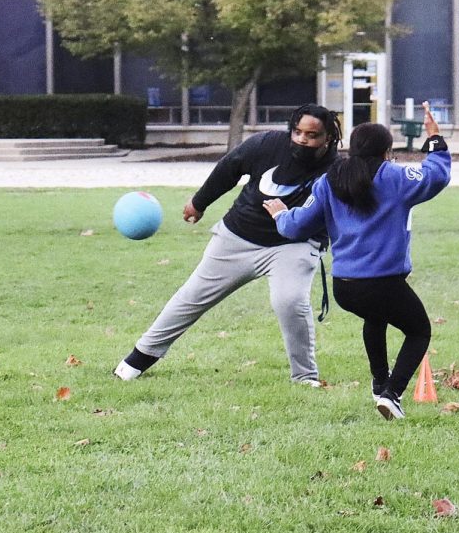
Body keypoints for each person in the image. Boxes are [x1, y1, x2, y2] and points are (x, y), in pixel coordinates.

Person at [114, 104, 342, 385]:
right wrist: (199, 203)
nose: (302, 140)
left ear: (329, 137)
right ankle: (135, 361)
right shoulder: (267, 144)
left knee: (290, 301)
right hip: (239, 235)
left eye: (312, 135)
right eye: (297, 132)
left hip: (293, 244)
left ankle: (305, 377)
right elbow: (229, 168)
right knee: (192, 296)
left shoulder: (336, 170)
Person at [262, 103, 451, 420]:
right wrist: (434, 139)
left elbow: (298, 225)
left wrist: (281, 215)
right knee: (419, 331)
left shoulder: (329, 180)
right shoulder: (394, 176)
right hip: (384, 282)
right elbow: (435, 175)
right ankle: (393, 394)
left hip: (346, 287)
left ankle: (379, 385)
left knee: (375, 319)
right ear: (387, 150)